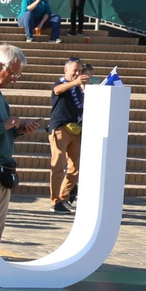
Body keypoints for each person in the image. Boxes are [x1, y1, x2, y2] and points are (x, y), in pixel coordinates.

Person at [0, 44, 37, 252]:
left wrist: (19, 130)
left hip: (2, 165)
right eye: (12, 74)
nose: (14, 80)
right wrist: (5, 125)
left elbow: (1, 131)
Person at [48, 58, 89, 214]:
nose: (78, 74)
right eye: (75, 71)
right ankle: (55, 200)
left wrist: (84, 86)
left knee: (75, 167)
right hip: (60, 129)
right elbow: (57, 91)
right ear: (66, 70)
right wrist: (75, 82)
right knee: (58, 166)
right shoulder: (60, 83)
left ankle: (64, 198)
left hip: (76, 129)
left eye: (80, 71)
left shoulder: (79, 87)